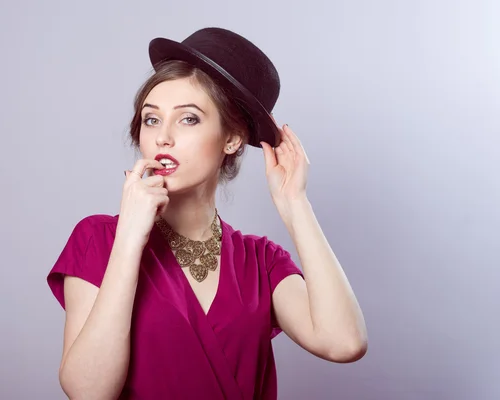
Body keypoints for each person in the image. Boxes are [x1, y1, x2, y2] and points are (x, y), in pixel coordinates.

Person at [46, 27, 368, 400]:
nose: (163, 137)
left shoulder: (261, 262)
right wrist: (130, 238)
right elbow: (88, 392)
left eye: (188, 119)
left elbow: (344, 343)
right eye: (152, 119)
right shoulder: (98, 239)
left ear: (231, 139)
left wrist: (295, 204)